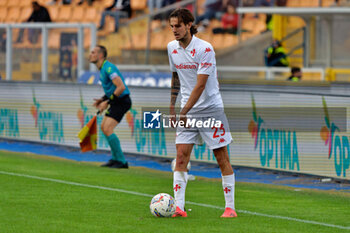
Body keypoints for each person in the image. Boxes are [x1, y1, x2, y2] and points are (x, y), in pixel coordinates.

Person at [167, 8, 237, 218]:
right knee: (180, 157)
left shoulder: (205, 49)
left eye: (178, 26)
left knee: (221, 157)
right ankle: (179, 208)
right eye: (171, 26)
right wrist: (172, 106)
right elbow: (176, 77)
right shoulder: (171, 48)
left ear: (189, 24)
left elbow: (200, 85)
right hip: (186, 111)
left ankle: (230, 208)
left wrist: (183, 111)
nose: (174, 30)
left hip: (210, 110)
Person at [89, 45, 131, 168]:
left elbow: (121, 87)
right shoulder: (103, 69)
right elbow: (112, 89)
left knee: (107, 128)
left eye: (93, 52)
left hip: (122, 101)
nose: (90, 54)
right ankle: (115, 158)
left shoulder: (108, 68)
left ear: (100, 55)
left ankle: (122, 161)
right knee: (104, 127)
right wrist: (103, 99)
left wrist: (107, 102)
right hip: (116, 100)